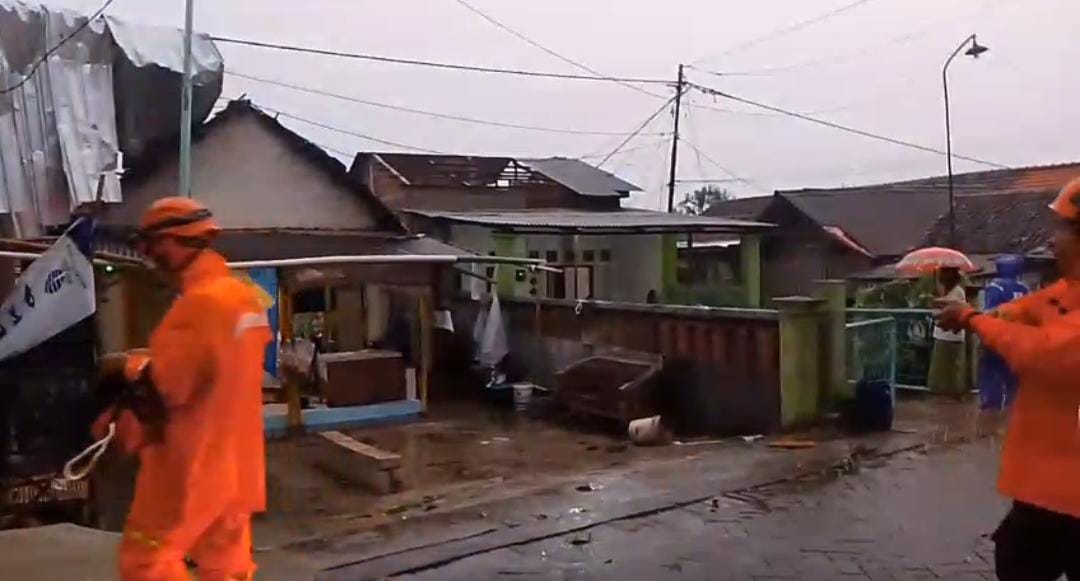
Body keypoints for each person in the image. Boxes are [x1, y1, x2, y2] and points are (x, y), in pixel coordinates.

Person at [93, 197, 271, 581]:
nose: (150, 259)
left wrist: (125, 365)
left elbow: (168, 387)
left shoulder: (199, 305)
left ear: (171, 241)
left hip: (189, 467)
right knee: (226, 566)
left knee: (147, 561)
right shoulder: (245, 297)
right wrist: (149, 357)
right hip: (238, 465)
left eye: (151, 247)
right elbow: (216, 363)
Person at [937, 178, 1080, 580]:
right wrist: (988, 317)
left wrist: (972, 318)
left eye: (1062, 229)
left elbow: (1043, 353)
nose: (1052, 240)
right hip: (1050, 488)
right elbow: (1029, 308)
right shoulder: (1065, 290)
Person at [978, 255, 1029, 411]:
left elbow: (990, 312)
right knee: (1013, 375)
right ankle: (1012, 408)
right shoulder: (1024, 288)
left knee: (991, 371)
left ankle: (991, 407)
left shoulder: (995, 286)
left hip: (997, 336)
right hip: (1018, 338)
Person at [928, 267, 967, 396]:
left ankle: (954, 394)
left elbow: (951, 308)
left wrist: (937, 303)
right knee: (942, 368)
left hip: (952, 335)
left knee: (952, 368)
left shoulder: (957, 292)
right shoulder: (944, 291)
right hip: (942, 334)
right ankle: (942, 393)